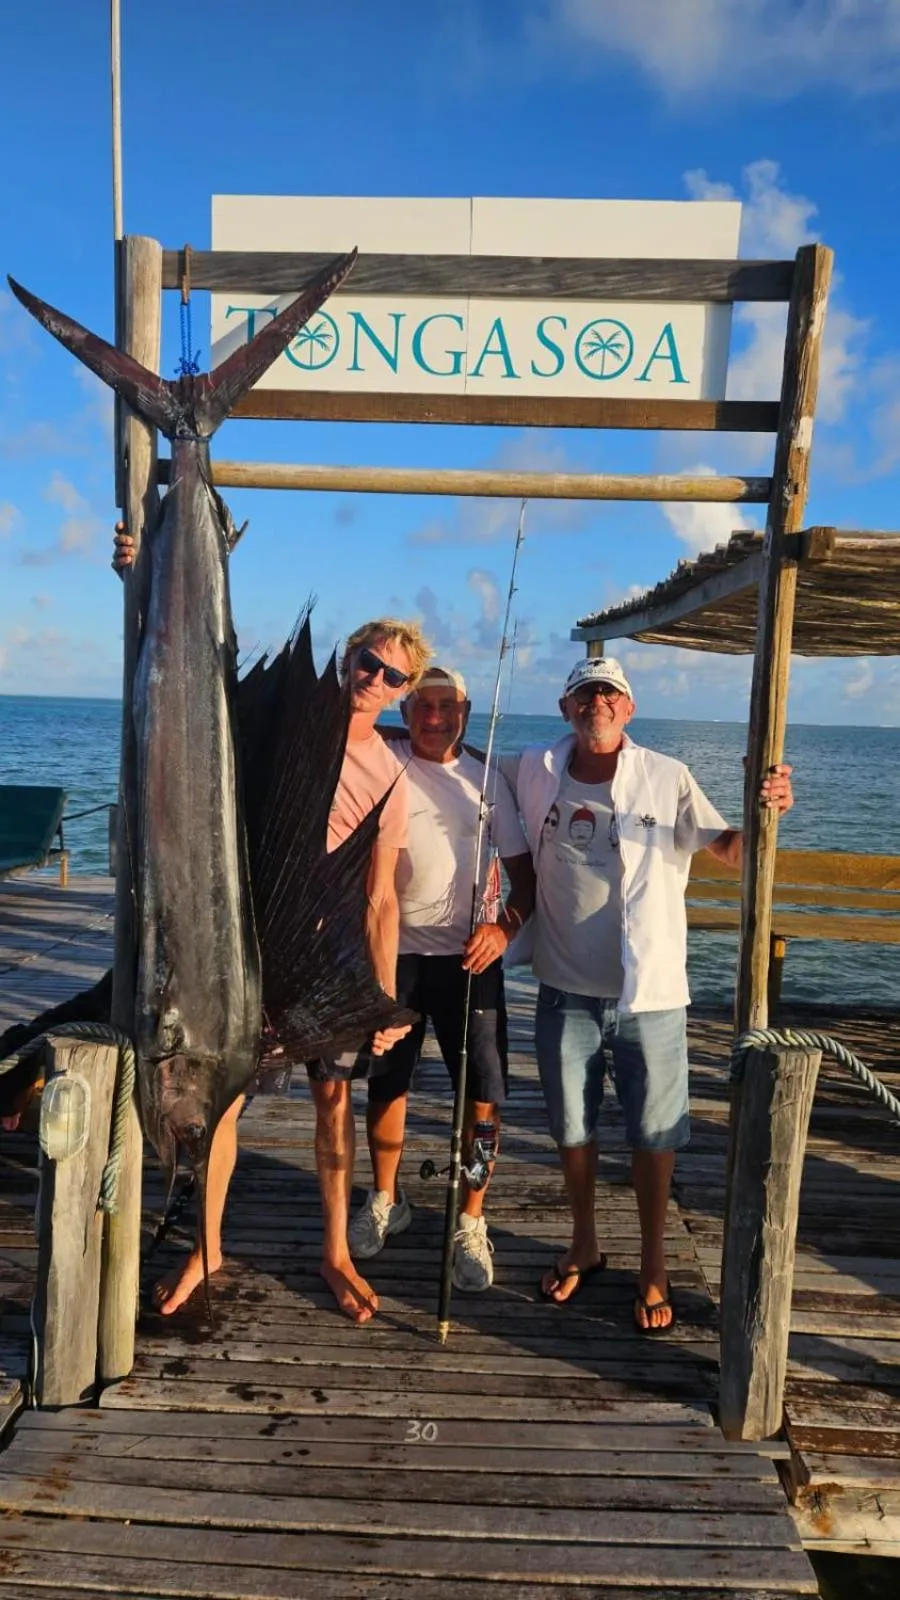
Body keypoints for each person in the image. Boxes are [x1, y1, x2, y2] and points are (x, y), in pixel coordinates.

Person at [113, 521, 430, 1323]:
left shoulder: (390, 774)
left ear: (405, 690)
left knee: (333, 1106)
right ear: (349, 657)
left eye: (392, 675)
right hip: (244, 949)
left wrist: (382, 1002)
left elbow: (381, 899)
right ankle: (207, 1246)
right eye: (367, 661)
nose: (374, 678)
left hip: (324, 961)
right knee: (219, 1103)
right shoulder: (281, 716)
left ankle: (336, 1250)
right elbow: (186, 678)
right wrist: (141, 579)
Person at [505, 656, 794, 1334]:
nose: (598, 702)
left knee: (655, 1134)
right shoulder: (534, 768)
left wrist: (770, 803)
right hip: (564, 987)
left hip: (653, 994)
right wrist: (379, 729)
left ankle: (654, 1262)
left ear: (629, 709)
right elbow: (457, 758)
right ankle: (584, 1242)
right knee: (571, 1128)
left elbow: (732, 849)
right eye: (585, 693)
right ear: (565, 708)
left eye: (611, 693)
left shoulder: (667, 775)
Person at [348, 667, 535, 1291]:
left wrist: (503, 930)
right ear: (404, 712)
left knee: (483, 1096)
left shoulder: (488, 777)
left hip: (470, 960)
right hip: (391, 956)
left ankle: (471, 1218)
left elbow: (525, 879)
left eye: (447, 706)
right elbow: (344, 730)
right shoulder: (383, 758)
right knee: (385, 1084)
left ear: (467, 710)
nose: (434, 717)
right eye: (421, 705)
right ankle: (386, 1197)